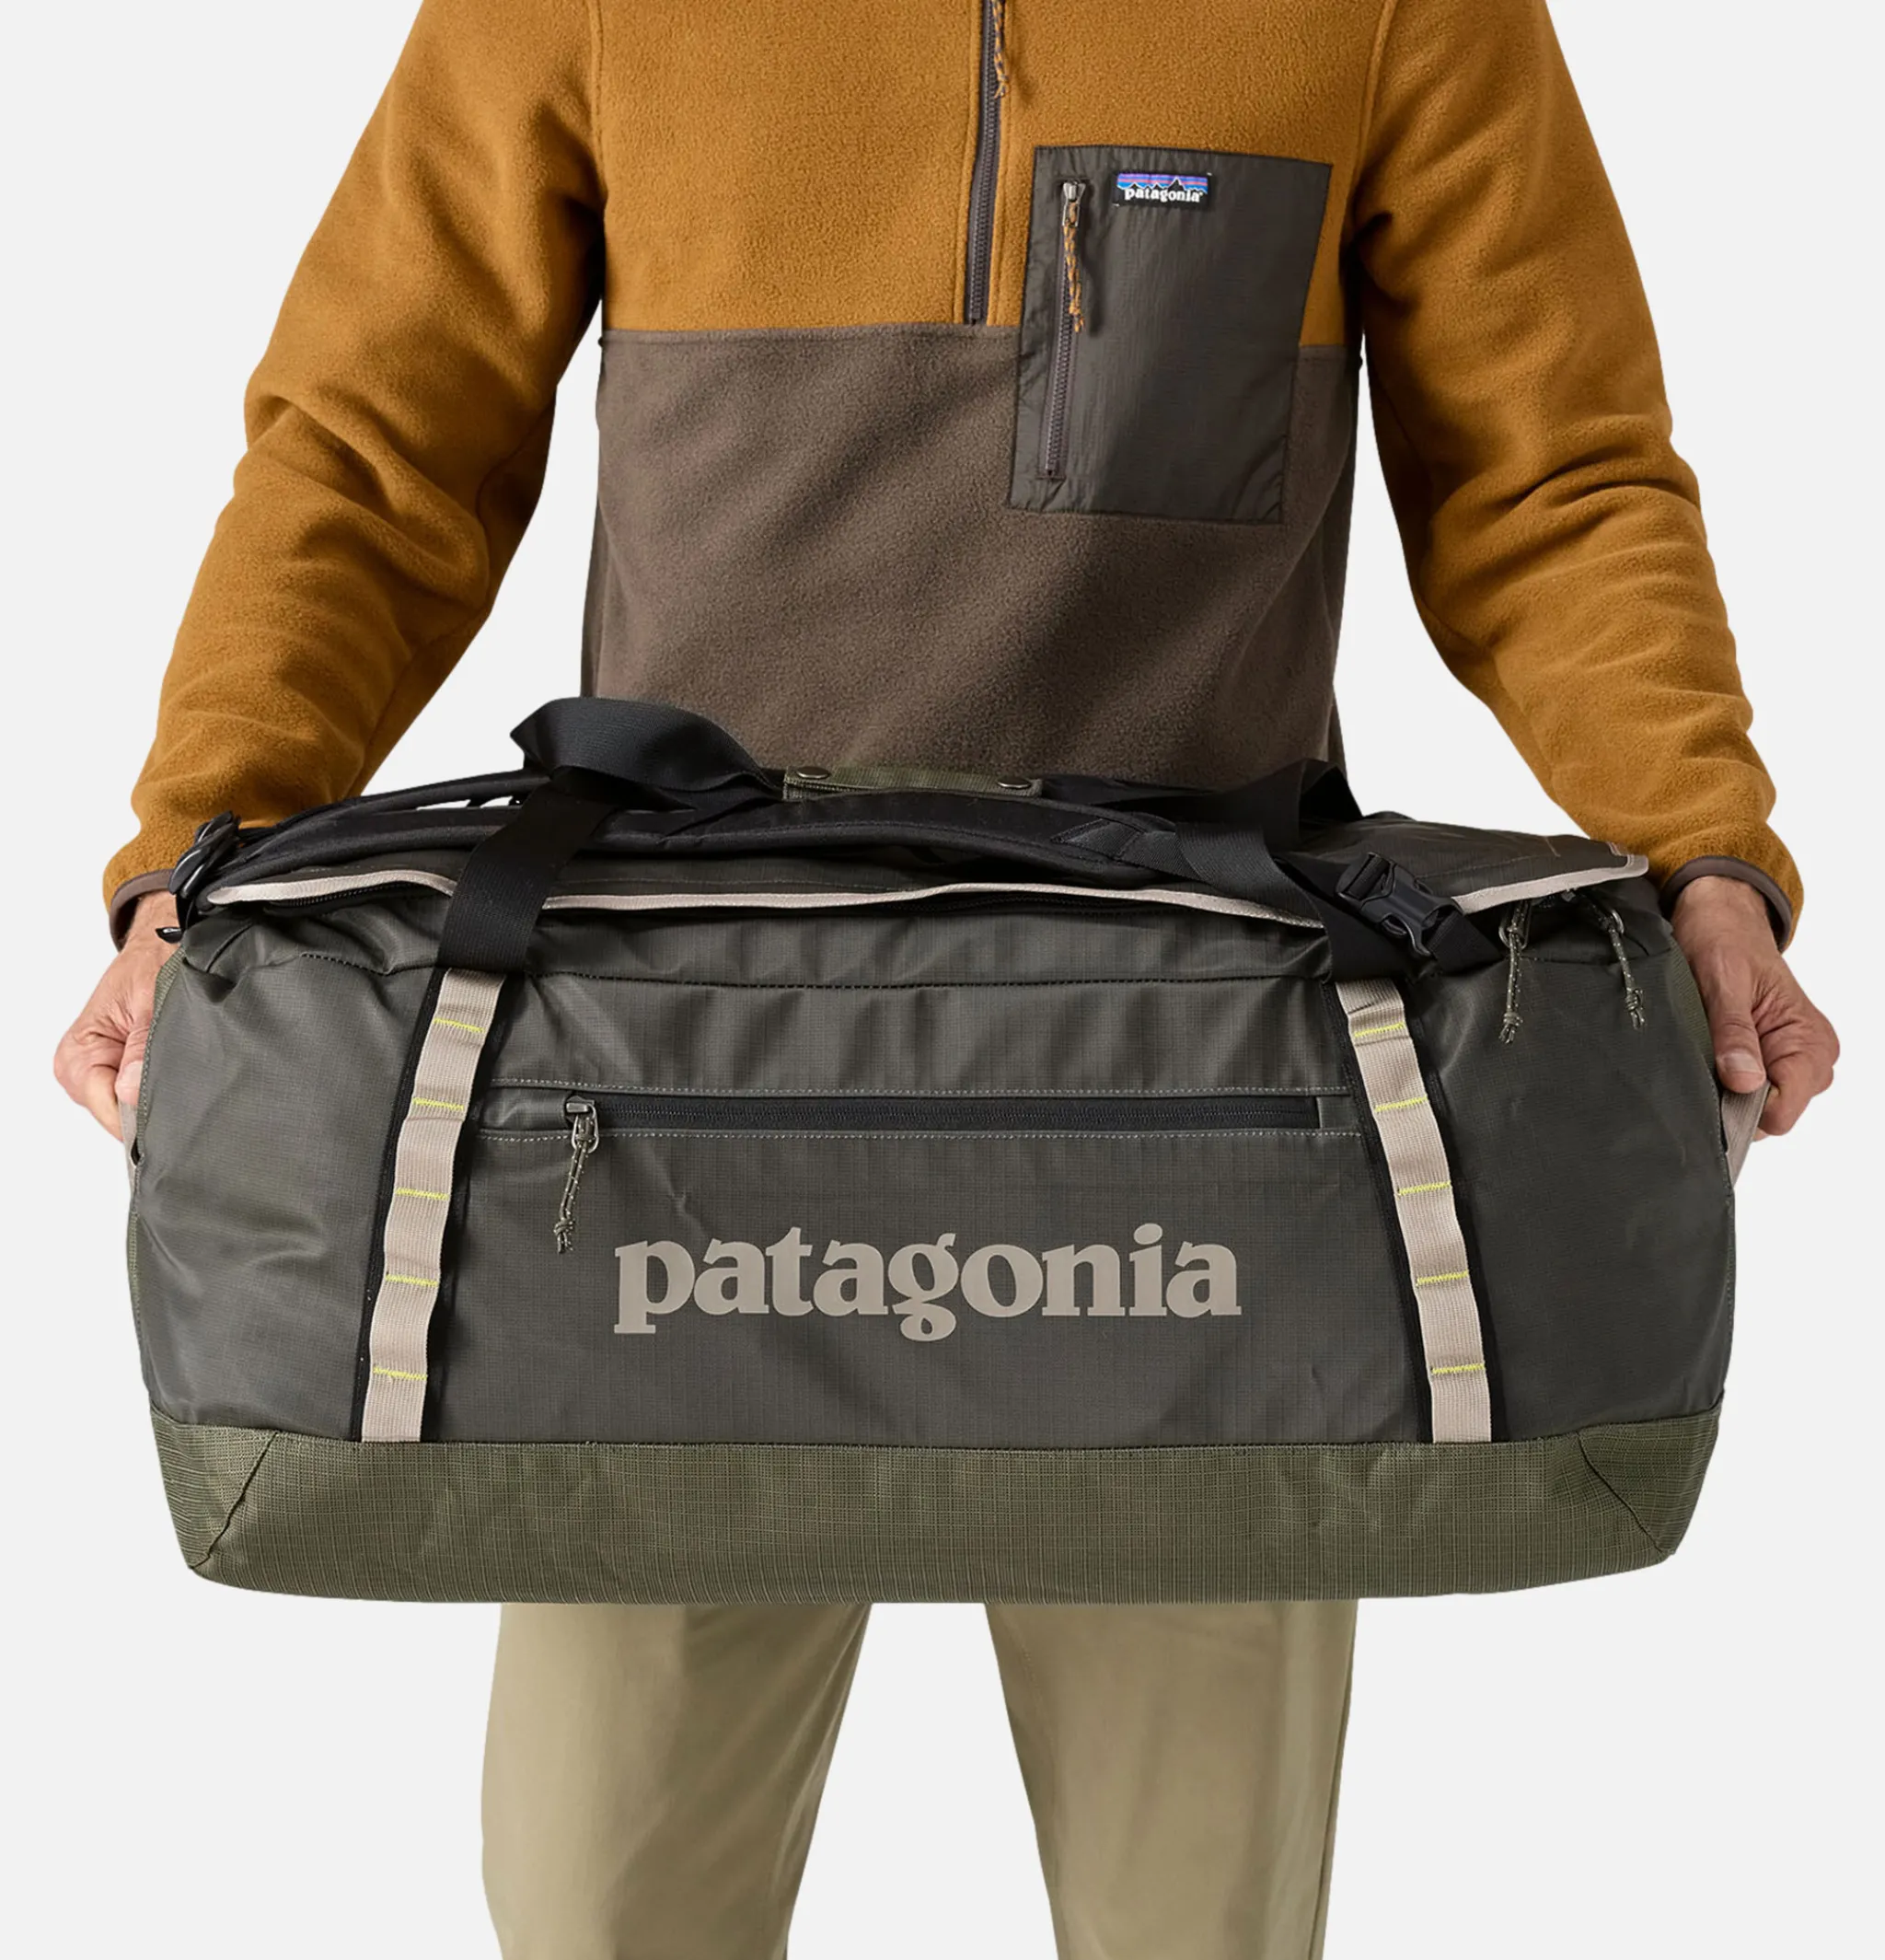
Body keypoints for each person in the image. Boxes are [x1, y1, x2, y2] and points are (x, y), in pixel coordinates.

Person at [54, 1, 1838, 1954]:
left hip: (1201, 1100)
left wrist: (1701, 853)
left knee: (1197, 1928)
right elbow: (376, 456)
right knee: (599, 1910)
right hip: (673, 1091)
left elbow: (1551, 479)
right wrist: (195, 861)